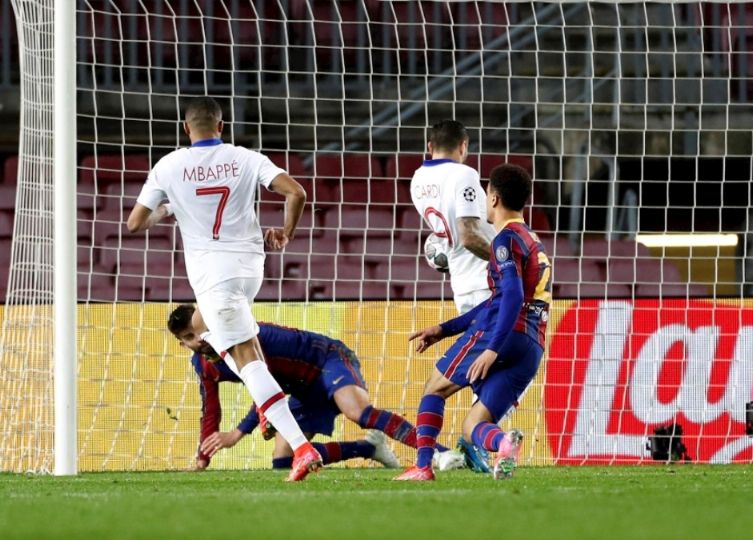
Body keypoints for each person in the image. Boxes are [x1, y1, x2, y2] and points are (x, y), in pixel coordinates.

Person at [126, 97, 321, 481]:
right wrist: (286, 232)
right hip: (250, 269)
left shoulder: (168, 166)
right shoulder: (245, 158)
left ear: (186, 129)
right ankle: (267, 405)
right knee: (222, 339)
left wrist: (169, 209)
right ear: (221, 126)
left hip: (214, 277)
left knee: (245, 358)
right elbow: (296, 192)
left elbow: (135, 223)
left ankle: (301, 447)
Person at [395, 163, 552, 481]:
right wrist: (444, 329)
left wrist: (492, 348)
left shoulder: (504, 241)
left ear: (492, 198)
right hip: (533, 344)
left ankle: (423, 466)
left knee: (434, 389)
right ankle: (504, 443)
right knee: (473, 425)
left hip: (504, 333)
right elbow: (497, 300)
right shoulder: (533, 240)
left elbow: (509, 297)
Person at [168, 304, 458, 470]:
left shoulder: (243, 337)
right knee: (284, 460)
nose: (201, 338)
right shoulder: (204, 366)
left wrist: (241, 430)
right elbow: (211, 412)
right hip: (302, 388)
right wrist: (203, 457)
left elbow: (266, 384)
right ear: (184, 344)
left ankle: (441, 452)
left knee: (357, 412)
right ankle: (368, 448)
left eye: (201, 329)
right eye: (191, 337)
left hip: (327, 358)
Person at [409, 120, 498, 472]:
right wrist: (511, 260)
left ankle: (477, 446)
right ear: (464, 145)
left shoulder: (418, 181)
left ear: (429, 145)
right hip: (484, 286)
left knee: (486, 375)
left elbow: (447, 239)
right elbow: (470, 234)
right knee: (483, 375)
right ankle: (480, 443)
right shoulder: (464, 176)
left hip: (461, 287)